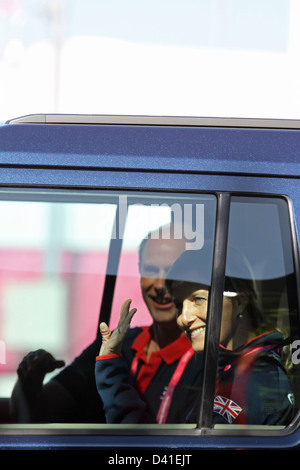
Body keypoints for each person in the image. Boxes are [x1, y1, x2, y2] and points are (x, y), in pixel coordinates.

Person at [10, 224, 202, 424]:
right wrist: (29, 382)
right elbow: (37, 413)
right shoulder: (118, 344)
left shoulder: (206, 358)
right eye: (151, 270)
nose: (161, 285)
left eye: (173, 272)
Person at [95, 245, 295, 425]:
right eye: (180, 305)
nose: (184, 318)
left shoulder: (257, 378)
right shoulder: (226, 368)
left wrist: (110, 375)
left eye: (198, 299)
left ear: (240, 301)